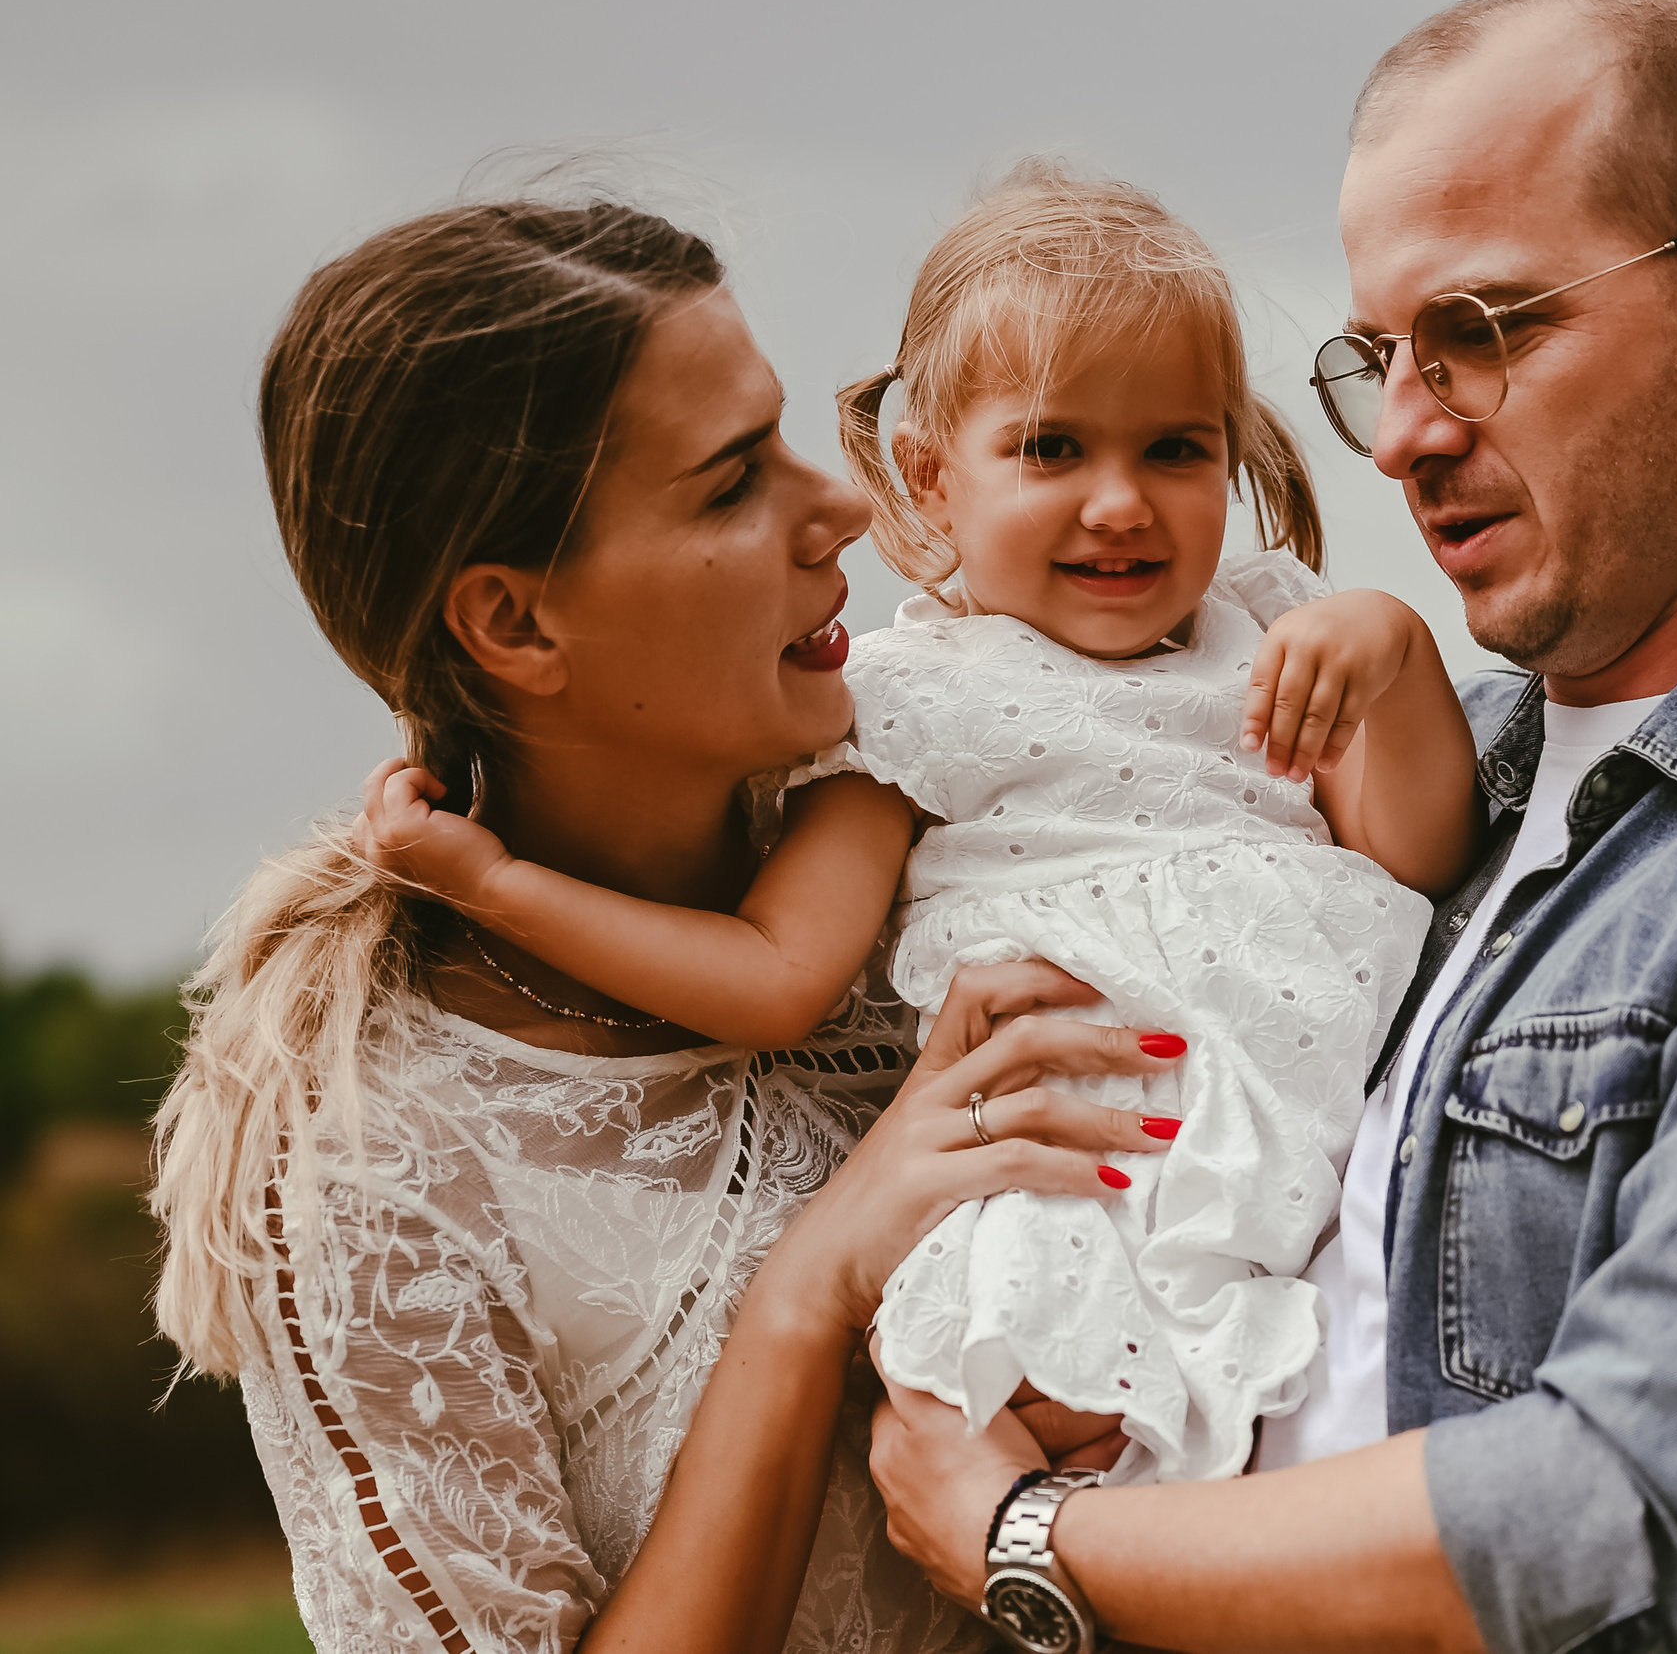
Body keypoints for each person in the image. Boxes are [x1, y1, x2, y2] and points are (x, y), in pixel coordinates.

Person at [867, 0, 1677, 1654]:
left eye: (1483, 332)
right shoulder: (1373, 779)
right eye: (1380, 359)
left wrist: (1036, 1536)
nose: (1406, 435)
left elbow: (1645, 1512)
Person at [148, 198, 1184, 1654]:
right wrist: (809, 1290)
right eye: (728, 485)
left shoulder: (979, 825)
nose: (837, 511)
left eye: (786, 440)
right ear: (515, 626)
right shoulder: (370, 1162)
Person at [358, 163, 1478, 1486]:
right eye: (1052, 448)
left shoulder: (1271, 637)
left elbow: (1415, 858)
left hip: (1337, 1151)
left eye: (1175, 448)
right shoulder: (910, 705)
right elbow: (776, 981)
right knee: (1083, 1446)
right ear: (934, 482)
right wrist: (494, 883)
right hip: (1089, 1180)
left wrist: (1396, 657)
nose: (1120, 502)